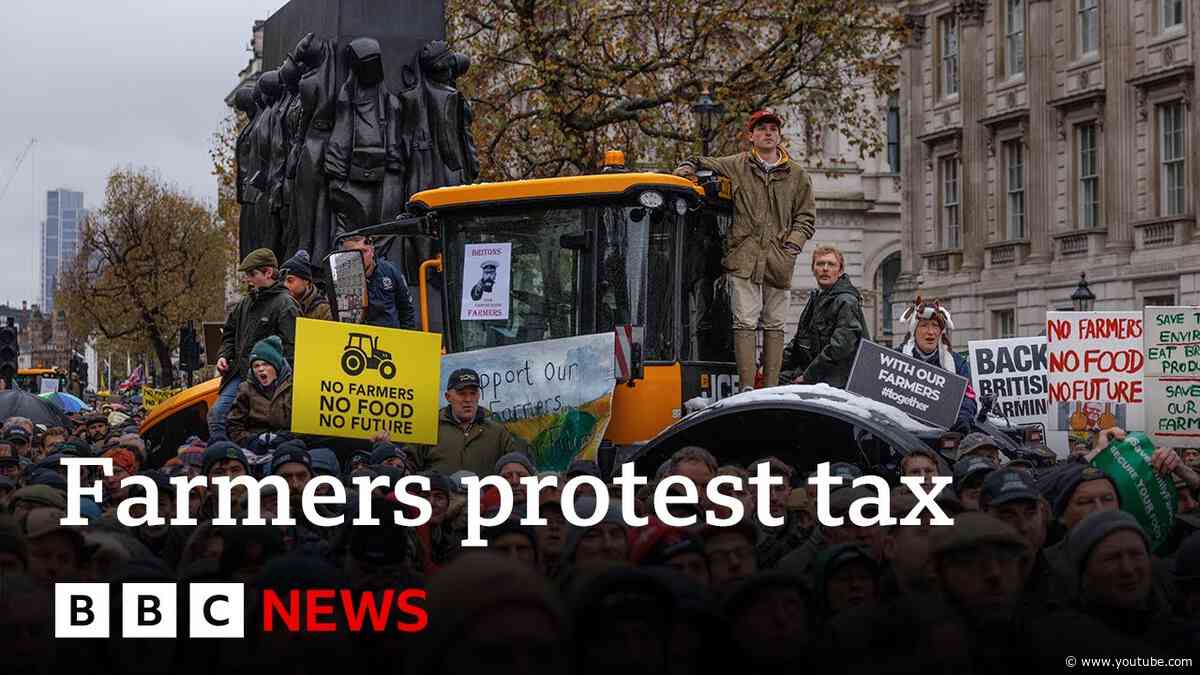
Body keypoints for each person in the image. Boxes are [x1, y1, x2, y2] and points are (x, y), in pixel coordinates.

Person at [675, 109, 817, 392]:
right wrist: (687, 169)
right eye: (762, 128)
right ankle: (747, 388)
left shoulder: (798, 175)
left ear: (779, 135)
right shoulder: (737, 164)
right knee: (745, 321)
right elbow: (700, 160)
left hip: (779, 259)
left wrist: (792, 245)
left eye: (773, 129)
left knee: (775, 323)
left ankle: (773, 387)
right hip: (744, 257)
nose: (768, 133)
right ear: (751, 136)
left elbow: (806, 217)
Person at [211, 248, 299, 442]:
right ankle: (227, 459)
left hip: (269, 382)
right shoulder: (245, 303)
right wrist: (223, 356)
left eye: (252, 274)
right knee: (217, 417)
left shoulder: (285, 304)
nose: (248, 279)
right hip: (239, 374)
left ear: (268, 272)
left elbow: (293, 349)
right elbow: (229, 333)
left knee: (230, 419)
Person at [783, 245, 869, 387]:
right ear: (813, 269)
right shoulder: (817, 298)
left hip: (837, 381)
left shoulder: (846, 300)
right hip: (817, 373)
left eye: (831, 264)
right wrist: (772, 366)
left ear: (840, 271)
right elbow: (798, 342)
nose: (825, 268)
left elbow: (840, 347)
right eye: (820, 264)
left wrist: (807, 376)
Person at [415, 368, 527, 475]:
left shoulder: (498, 432)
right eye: (462, 393)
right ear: (448, 397)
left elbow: (519, 466)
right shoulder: (428, 429)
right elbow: (409, 464)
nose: (468, 399)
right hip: (438, 494)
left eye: (473, 393)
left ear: (478, 396)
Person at [897, 297, 977, 430]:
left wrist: (963, 416)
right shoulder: (896, 359)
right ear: (914, 331)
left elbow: (969, 396)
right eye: (924, 325)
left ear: (941, 331)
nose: (931, 332)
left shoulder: (957, 363)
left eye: (935, 325)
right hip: (905, 434)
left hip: (945, 434)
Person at [226, 336, 294, 447]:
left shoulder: (294, 387)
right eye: (256, 366)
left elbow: (306, 426)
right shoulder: (245, 389)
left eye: (265, 364)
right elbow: (234, 427)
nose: (260, 369)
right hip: (256, 449)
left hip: (289, 446)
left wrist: (287, 437)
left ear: (276, 366)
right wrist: (251, 441)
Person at [338, 234, 416, 329]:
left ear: (372, 250)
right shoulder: (339, 278)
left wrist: (405, 338)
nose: (361, 257)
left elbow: (407, 310)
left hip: (389, 335)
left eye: (364, 251)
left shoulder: (390, 271)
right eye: (354, 253)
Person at [279, 249, 332, 321]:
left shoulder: (324, 311)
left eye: (290, 280)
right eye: (283, 281)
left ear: (306, 281)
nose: (285, 285)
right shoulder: (281, 304)